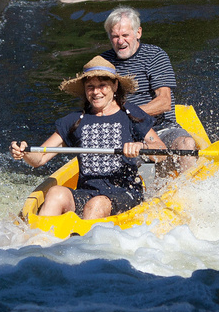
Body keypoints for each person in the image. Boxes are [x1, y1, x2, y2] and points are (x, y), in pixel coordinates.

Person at [10, 56, 167, 220]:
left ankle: (81, 244)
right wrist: (24, 152)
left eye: (102, 86)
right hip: (86, 193)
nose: (96, 92)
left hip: (125, 193)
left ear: (114, 86)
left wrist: (141, 147)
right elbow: (39, 159)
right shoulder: (75, 121)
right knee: (56, 193)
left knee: (97, 204)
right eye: (90, 87)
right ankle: (39, 241)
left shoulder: (131, 114)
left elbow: (161, 152)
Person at [100, 5, 197, 173]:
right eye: (115, 36)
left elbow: (165, 102)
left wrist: (127, 114)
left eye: (125, 35)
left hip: (162, 128)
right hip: (123, 133)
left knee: (186, 145)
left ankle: (190, 193)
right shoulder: (102, 62)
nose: (120, 41)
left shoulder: (155, 55)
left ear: (138, 33)